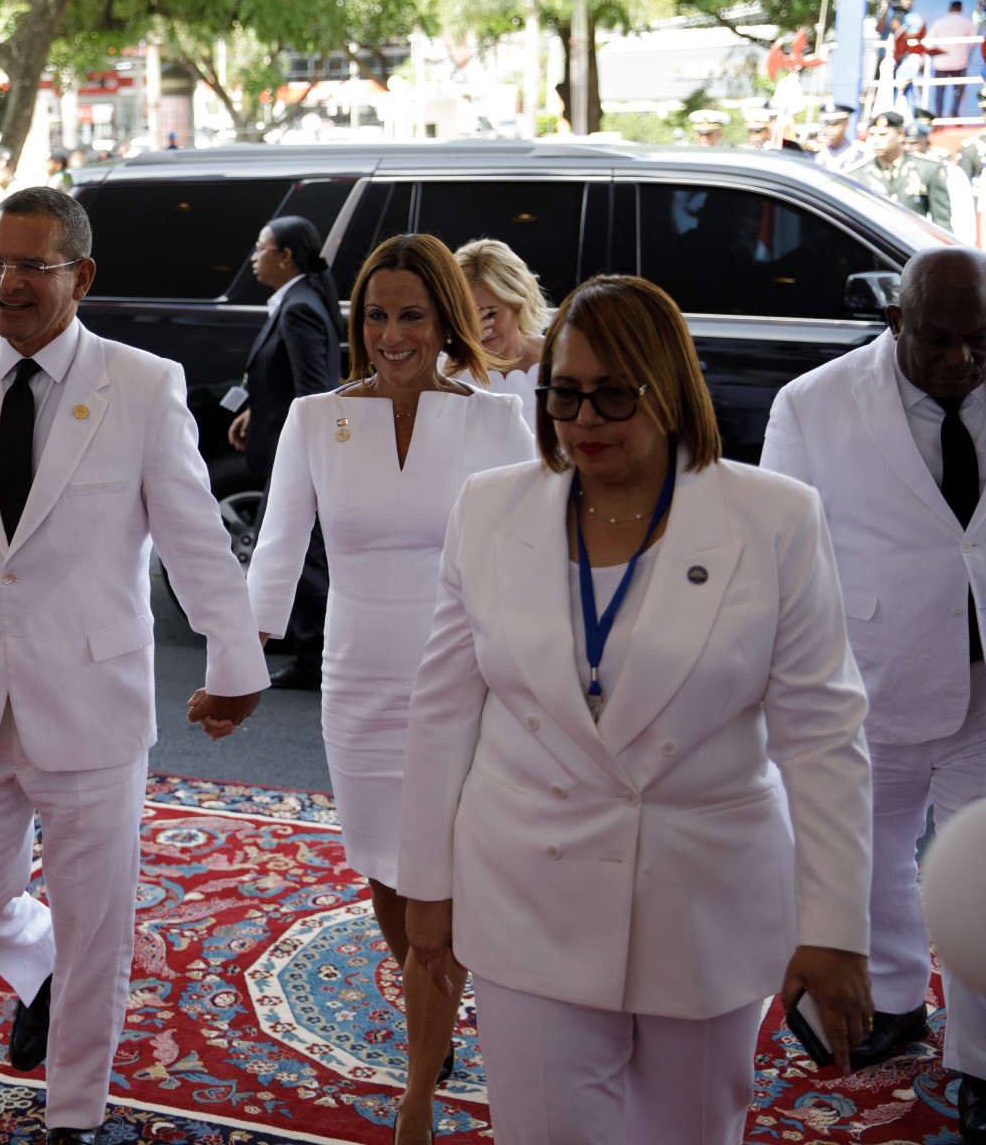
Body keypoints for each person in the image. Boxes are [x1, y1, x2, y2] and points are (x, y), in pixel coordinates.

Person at [400, 274, 874, 1145]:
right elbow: (441, 710)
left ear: (670, 390)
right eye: (564, 394)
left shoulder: (773, 518)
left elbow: (823, 736)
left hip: (702, 901)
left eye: (614, 394)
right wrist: (426, 888)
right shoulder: (489, 508)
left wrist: (836, 926)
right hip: (527, 889)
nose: (585, 419)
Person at [0, 186, 267, 1144]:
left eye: (31, 267)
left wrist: (236, 657)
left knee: (97, 926)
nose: (6, 283)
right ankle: (38, 966)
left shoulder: (142, 385)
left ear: (80, 277)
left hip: (92, 700)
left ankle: (74, 1113)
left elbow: (194, 537)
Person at [248, 233, 533, 1142]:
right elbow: (277, 550)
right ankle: (434, 1013)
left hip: (464, 680)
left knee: (442, 878)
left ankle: (418, 1095)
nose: (391, 334)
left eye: (412, 315)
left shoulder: (497, 420)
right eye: (376, 315)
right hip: (358, 678)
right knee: (385, 869)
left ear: (445, 320)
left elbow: (532, 556)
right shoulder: (316, 420)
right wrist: (236, 667)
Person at [761, 247, 986, 1141]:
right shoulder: (812, 405)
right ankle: (893, 1000)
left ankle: (981, 1058)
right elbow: (783, 556)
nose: (962, 360)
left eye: (981, 341)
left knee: (979, 870)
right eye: (939, 340)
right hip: (870, 670)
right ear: (896, 322)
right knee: (871, 849)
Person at [224, 216, 341, 691]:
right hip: (292, 446)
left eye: (261, 247)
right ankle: (314, 655)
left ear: (286, 256)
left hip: (300, 454)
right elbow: (289, 377)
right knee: (301, 552)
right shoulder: (296, 301)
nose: (255, 256)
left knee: (300, 555)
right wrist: (257, 408)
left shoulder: (299, 308)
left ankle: (326, 653)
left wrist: (300, 453)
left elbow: (312, 390)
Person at [452, 237, 550, 432]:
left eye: (490, 314)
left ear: (518, 302)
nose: (481, 328)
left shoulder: (557, 357)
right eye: (468, 316)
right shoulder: (442, 370)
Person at [851, 110, 954, 233]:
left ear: (900, 134)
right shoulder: (856, 175)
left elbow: (942, 224)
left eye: (883, 135)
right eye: (872, 135)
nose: (875, 141)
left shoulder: (927, 169)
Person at [928, 0, 977, 121]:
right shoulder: (967, 22)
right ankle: (954, 112)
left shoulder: (939, 22)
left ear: (949, 9)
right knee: (958, 90)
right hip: (960, 62)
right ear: (961, 9)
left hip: (941, 62)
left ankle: (938, 115)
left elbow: (929, 42)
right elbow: (974, 42)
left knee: (940, 91)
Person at [815, 106, 873, 173]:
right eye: (827, 125)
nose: (830, 129)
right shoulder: (820, 153)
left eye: (835, 124)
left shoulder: (859, 154)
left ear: (846, 124)